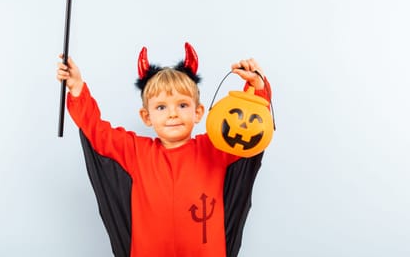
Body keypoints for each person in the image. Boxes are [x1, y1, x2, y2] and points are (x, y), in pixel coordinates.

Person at [56, 42, 272, 257]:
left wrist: (258, 88)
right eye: (161, 107)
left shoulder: (216, 149)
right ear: (146, 116)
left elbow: (250, 130)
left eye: (182, 105)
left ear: (198, 112)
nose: (172, 114)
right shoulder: (135, 151)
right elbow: (97, 131)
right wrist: (77, 87)